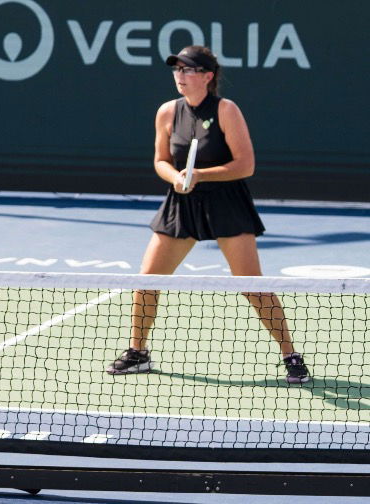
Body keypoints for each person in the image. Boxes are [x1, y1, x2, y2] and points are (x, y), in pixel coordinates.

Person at [107, 46, 310, 384]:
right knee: (147, 281)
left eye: (187, 70)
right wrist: (177, 178)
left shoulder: (227, 110)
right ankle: (138, 352)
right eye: (177, 70)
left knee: (251, 284)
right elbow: (160, 160)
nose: (180, 76)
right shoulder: (167, 112)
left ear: (207, 76)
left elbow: (245, 165)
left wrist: (201, 175)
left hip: (225, 201)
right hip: (181, 203)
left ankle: (290, 354)